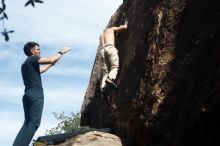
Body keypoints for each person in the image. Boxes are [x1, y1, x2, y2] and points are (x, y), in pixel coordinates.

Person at [13, 42, 70, 146]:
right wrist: (62, 51)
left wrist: (50, 65)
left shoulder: (25, 64)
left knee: (27, 123)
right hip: (36, 94)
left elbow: (40, 71)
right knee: (34, 124)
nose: (40, 51)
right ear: (32, 51)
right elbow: (52, 59)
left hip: (27, 95)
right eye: (38, 49)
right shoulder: (33, 58)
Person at [100, 22, 128, 94]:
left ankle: (103, 89)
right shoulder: (111, 29)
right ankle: (110, 79)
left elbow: (114, 35)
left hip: (102, 51)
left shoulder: (101, 35)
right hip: (110, 48)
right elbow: (124, 28)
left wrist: (116, 34)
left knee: (105, 73)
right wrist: (124, 25)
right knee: (114, 67)